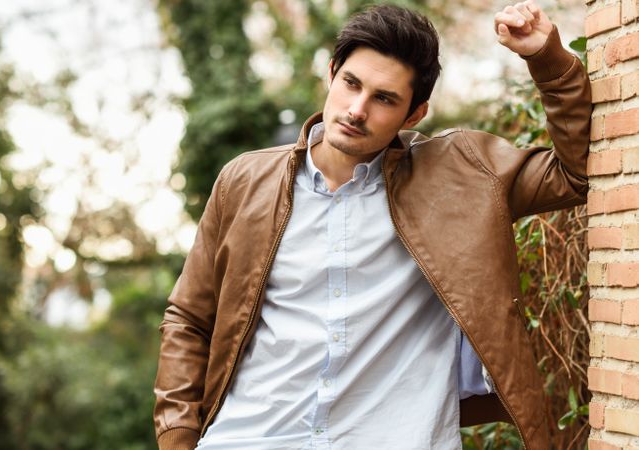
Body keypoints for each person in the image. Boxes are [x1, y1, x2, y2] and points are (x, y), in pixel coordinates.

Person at [153, 1, 591, 448]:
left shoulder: (462, 176)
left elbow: (576, 174)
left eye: (384, 98)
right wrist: (178, 436)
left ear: (415, 113)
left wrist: (547, 57)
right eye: (351, 84)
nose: (356, 109)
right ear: (331, 74)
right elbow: (189, 317)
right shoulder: (245, 182)